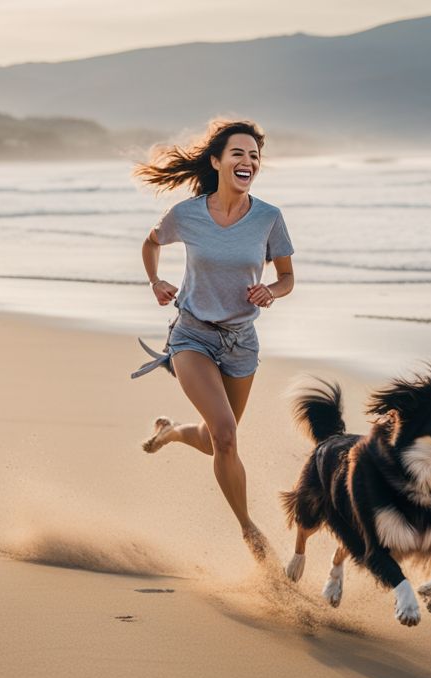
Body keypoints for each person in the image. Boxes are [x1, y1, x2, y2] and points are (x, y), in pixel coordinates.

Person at [131, 119, 296, 563]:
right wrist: (156, 281)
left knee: (212, 439)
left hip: (241, 342)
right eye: (238, 154)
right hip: (192, 335)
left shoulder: (268, 218)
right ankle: (249, 531)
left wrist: (271, 292)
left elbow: (286, 278)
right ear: (217, 162)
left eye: (254, 156)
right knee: (226, 437)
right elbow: (150, 243)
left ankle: (170, 432)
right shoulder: (187, 215)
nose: (247, 162)